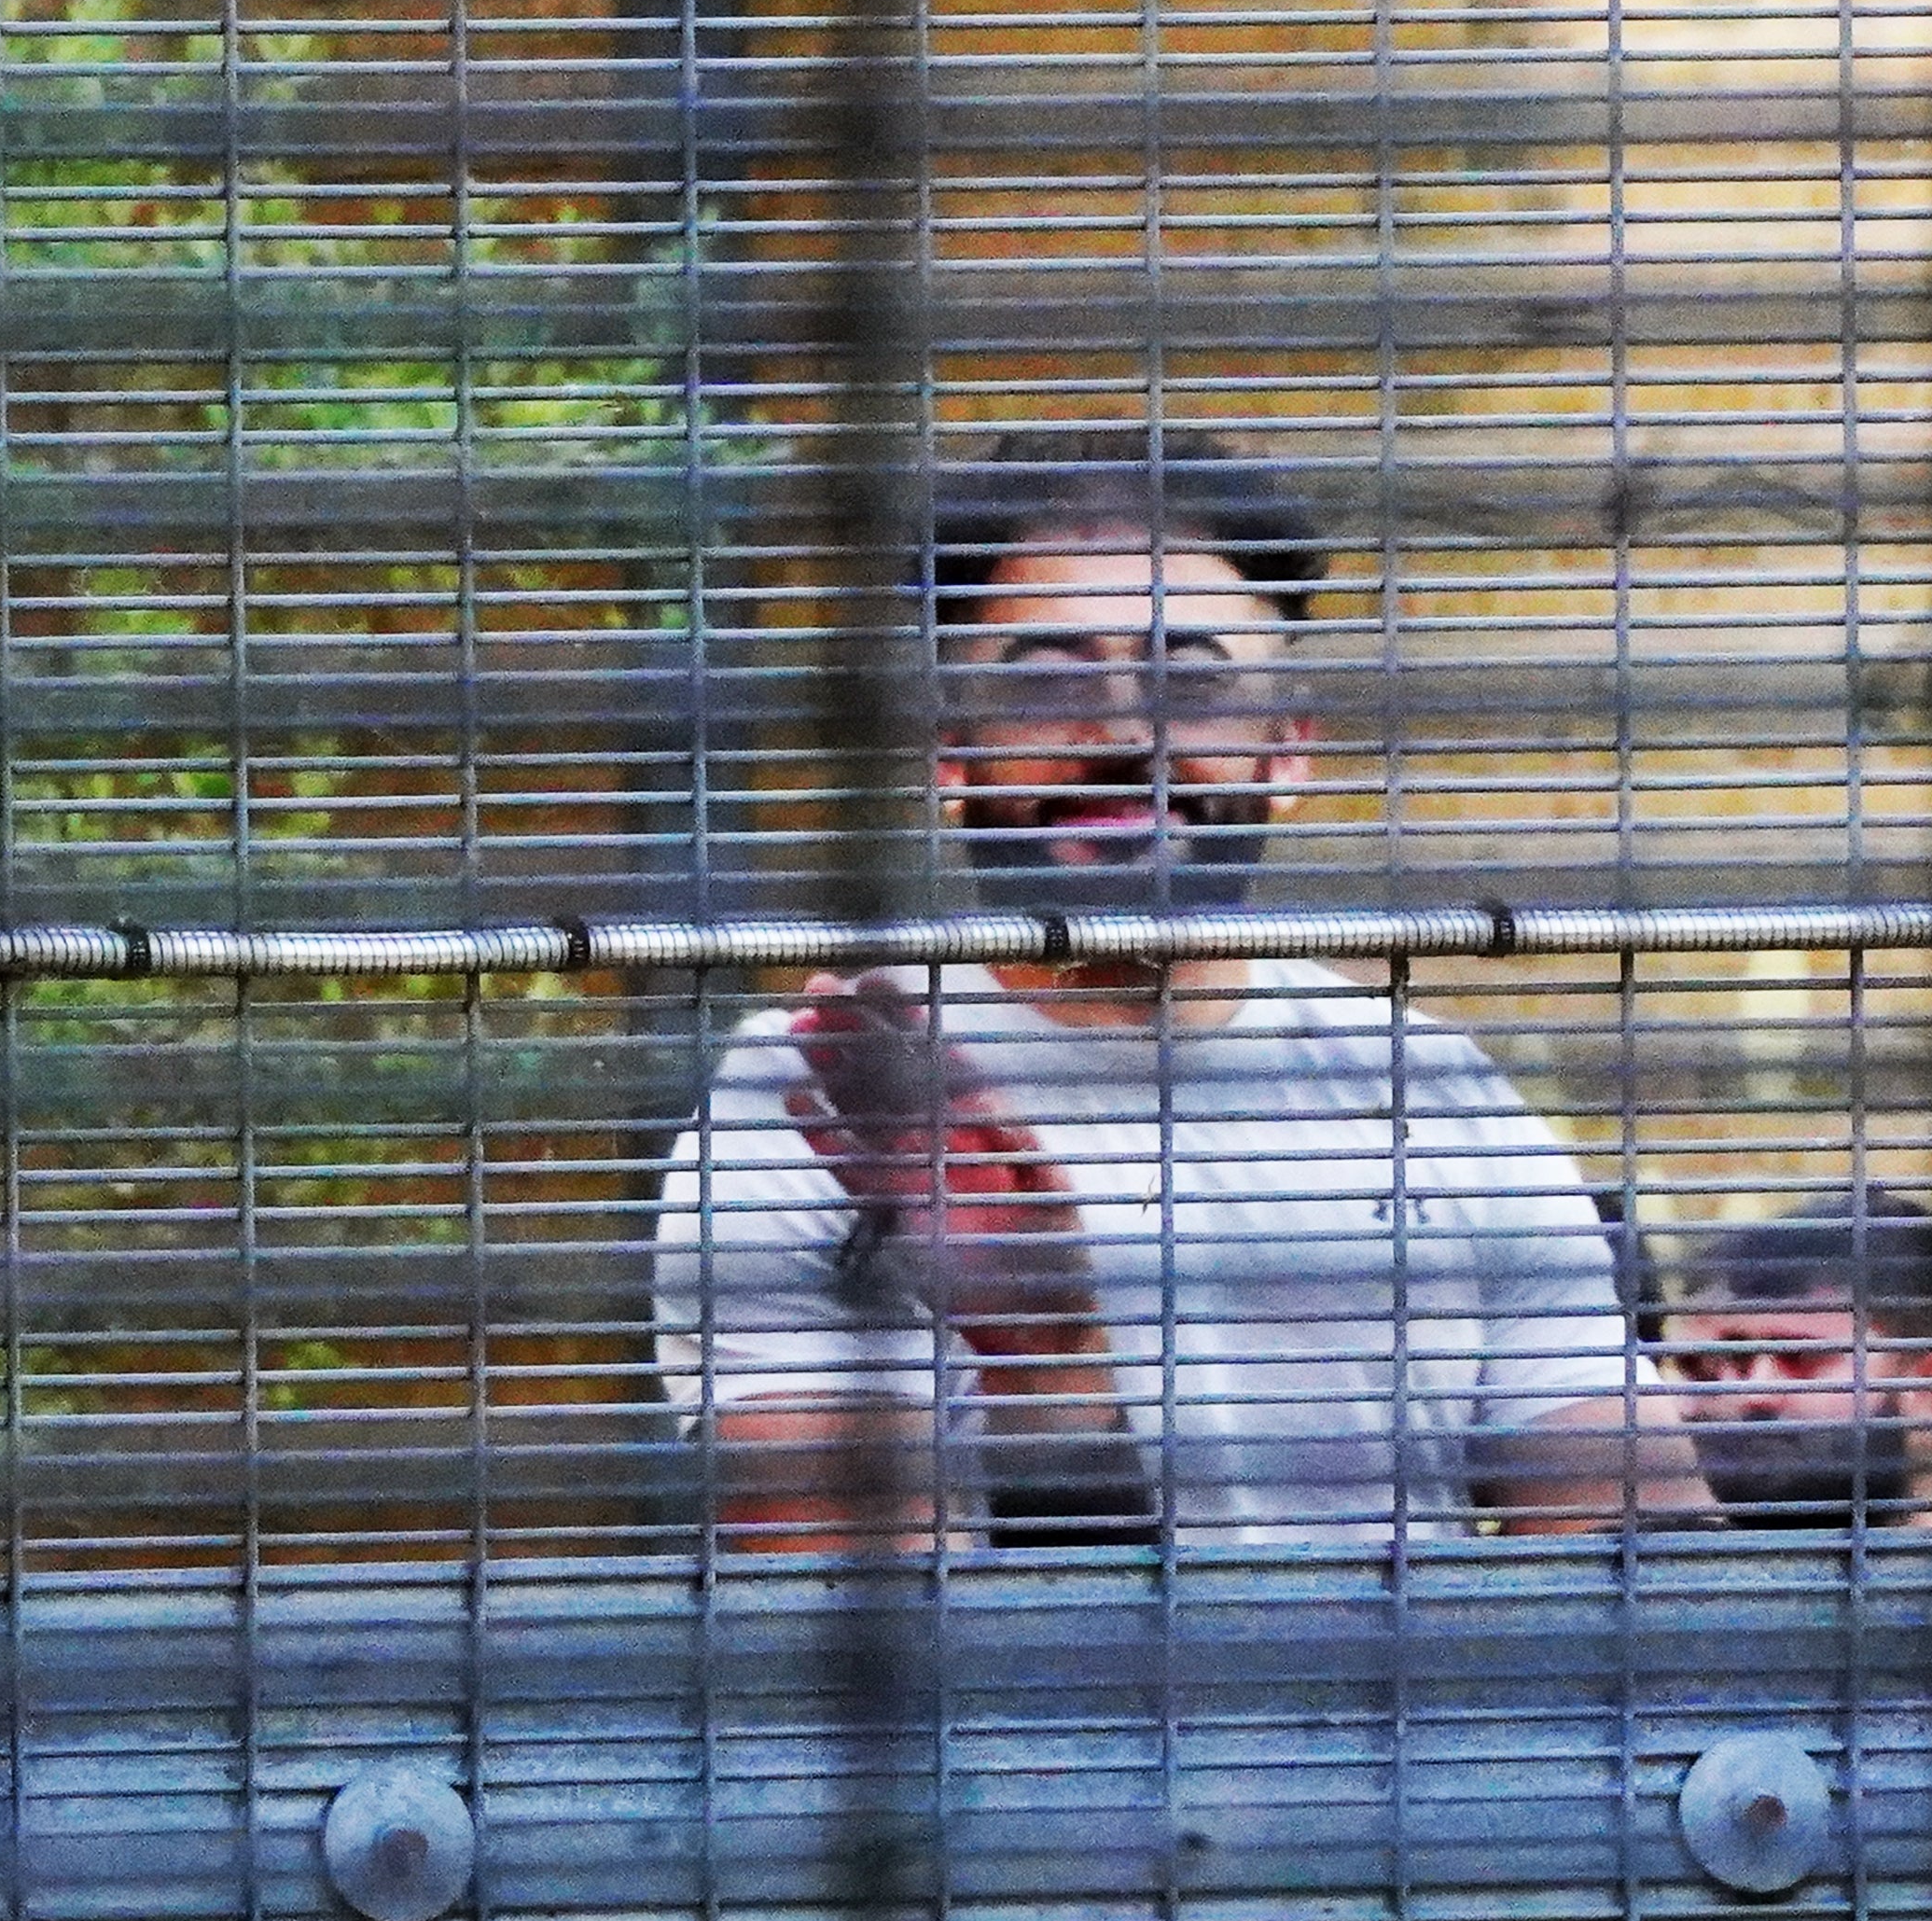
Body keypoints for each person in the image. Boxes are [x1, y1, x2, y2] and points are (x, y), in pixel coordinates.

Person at [650, 425, 1703, 1552]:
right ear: (949, 756)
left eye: (1190, 678)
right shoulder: (822, 1098)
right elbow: (876, 1668)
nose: (1123, 733)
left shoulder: (1428, 1090)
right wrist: (1052, 1383)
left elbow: (1647, 1584)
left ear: (1285, 749)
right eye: (1049, 683)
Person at [1657, 1184, 1932, 1534]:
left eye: (1801, 1356)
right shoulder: (1640, 1578)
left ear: (1927, 1387)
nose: (1756, 1392)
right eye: (1724, 1360)